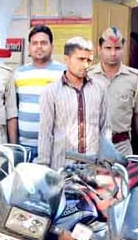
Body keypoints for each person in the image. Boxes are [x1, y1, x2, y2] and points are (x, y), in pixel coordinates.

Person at [38, 37, 110, 170]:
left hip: (92, 168)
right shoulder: (51, 91)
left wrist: (105, 165)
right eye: (81, 59)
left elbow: (105, 128)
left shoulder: (100, 89)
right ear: (66, 59)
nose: (86, 65)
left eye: (89, 60)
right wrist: (43, 167)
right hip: (61, 168)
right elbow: (45, 133)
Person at [88, 27, 138, 156]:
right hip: (92, 146)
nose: (113, 53)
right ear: (99, 49)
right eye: (108, 48)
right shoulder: (87, 77)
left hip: (122, 147)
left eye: (117, 48)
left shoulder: (135, 78)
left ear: (123, 49)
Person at [14, 25, 66, 160]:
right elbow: (13, 108)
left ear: (52, 46)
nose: (39, 47)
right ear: (29, 47)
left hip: (53, 147)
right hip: (24, 148)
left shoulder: (63, 73)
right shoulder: (19, 73)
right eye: (35, 43)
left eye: (43, 43)